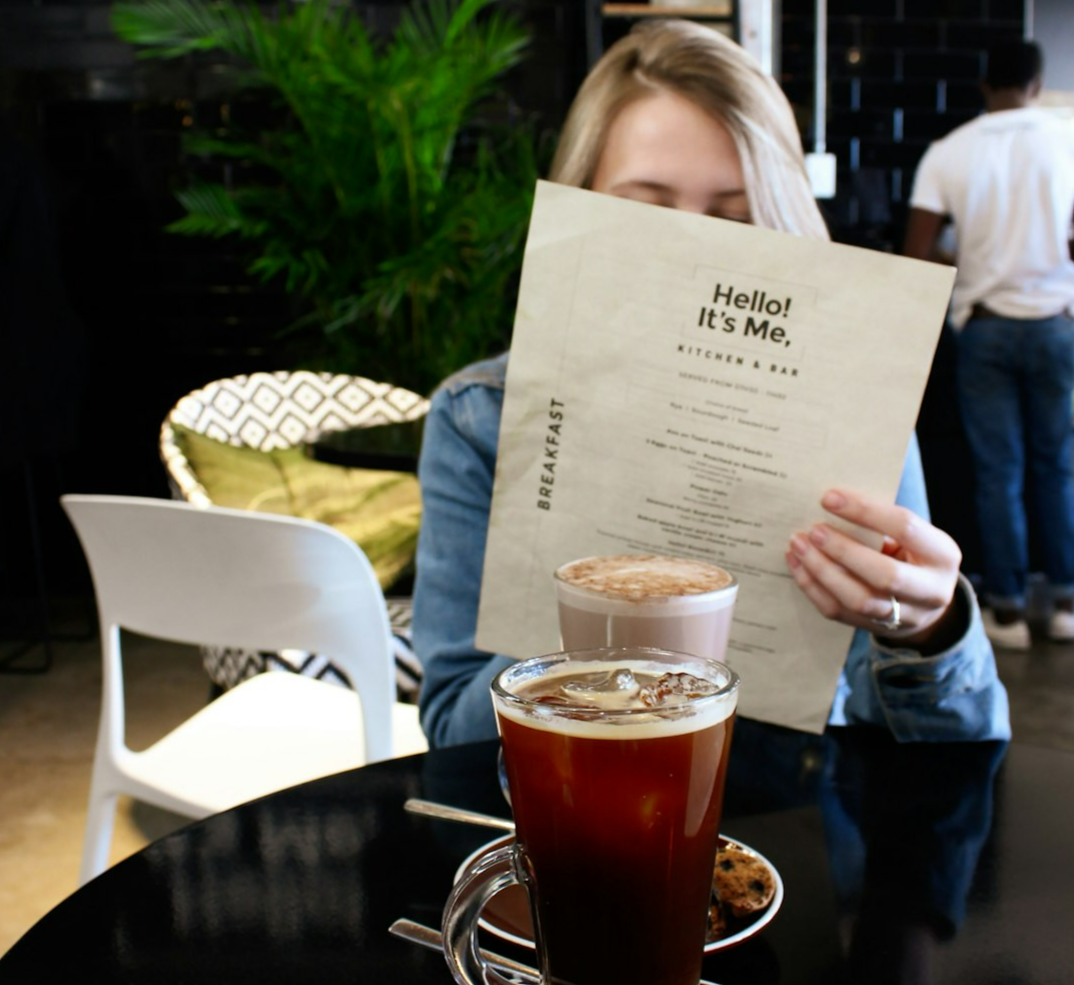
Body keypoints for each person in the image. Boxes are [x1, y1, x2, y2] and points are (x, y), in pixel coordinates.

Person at [413, 19, 1010, 748]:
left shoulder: (855, 421)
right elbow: (455, 738)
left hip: (806, 832)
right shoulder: (480, 419)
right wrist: (616, 604)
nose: (693, 257)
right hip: (578, 836)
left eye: (736, 218)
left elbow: (958, 762)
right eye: (645, 209)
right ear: (581, 207)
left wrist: (929, 629)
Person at [904, 40, 1074, 651]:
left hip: (983, 327)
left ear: (984, 84)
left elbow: (917, 252)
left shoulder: (949, 152)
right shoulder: (1066, 141)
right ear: (1036, 81)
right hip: (1056, 323)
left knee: (998, 472)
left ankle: (1002, 611)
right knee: (1059, 465)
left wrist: (974, 256)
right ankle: (1063, 603)